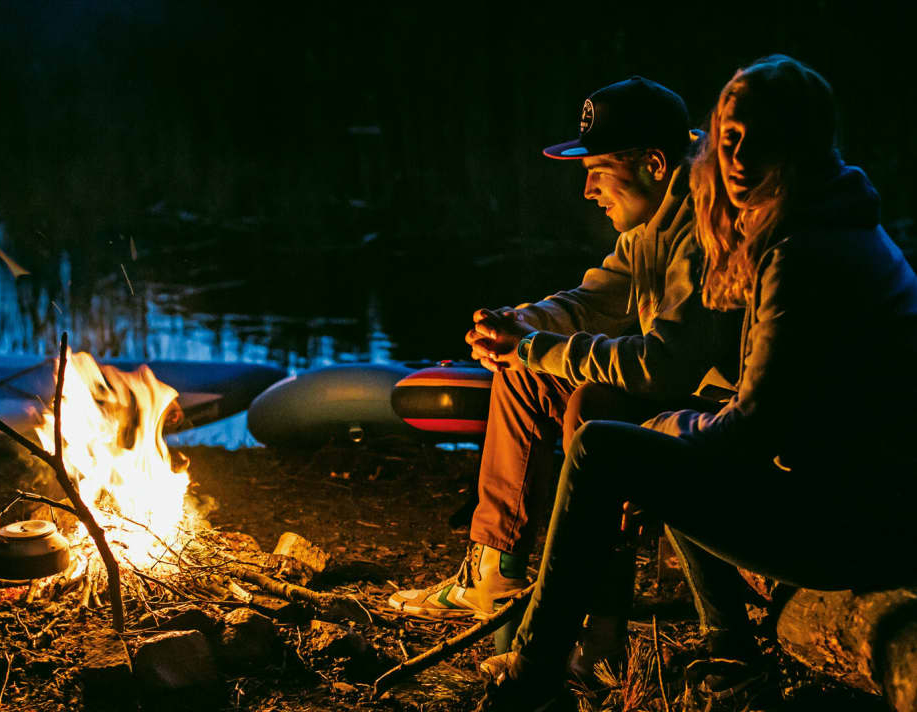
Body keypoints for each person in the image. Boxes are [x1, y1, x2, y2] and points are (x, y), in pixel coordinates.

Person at [474, 54, 917, 712]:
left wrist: (660, 430)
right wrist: (527, 330)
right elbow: (604, 299)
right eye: (726, 138)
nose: (732, 156)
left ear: (799, 142)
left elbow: (748, 425)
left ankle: (539, 665)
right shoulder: (804, 224)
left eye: (753, 138)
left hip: (857, 526)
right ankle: (724, 647)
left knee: (610, 446)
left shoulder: (801, 254)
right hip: (849, 500)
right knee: (664, 430)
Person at [388, 76, 740, 672]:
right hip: (678, 395)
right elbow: (597, 298)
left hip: (721, 413)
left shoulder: (704, 227)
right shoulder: (652, 222)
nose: (586, 189)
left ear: (654, 164)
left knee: (591, 408)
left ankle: (602, 634)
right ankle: (494, 567)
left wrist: (538, 345)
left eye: (598, 170)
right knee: (525, 372)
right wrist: (518, 326)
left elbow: (661, 366)